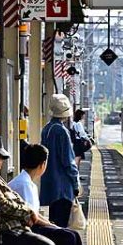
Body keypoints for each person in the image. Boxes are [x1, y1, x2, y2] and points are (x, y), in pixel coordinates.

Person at [9, 144, 97, 245]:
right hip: (24, 230)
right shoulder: (24, 184)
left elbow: (33, 213)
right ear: (43, 164)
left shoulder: (26, 182)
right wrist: (53, 226)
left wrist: (51, 224)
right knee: (66, 236)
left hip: (27, 227)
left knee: (72, 234)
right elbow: (32, 217)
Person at [41, 94, 80, 227]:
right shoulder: (62, 131)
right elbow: (69, 162)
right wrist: (76, 184)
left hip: (50, 186)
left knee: (54, 225)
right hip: (63, 188)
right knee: (62, 226)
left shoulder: (46, 129)